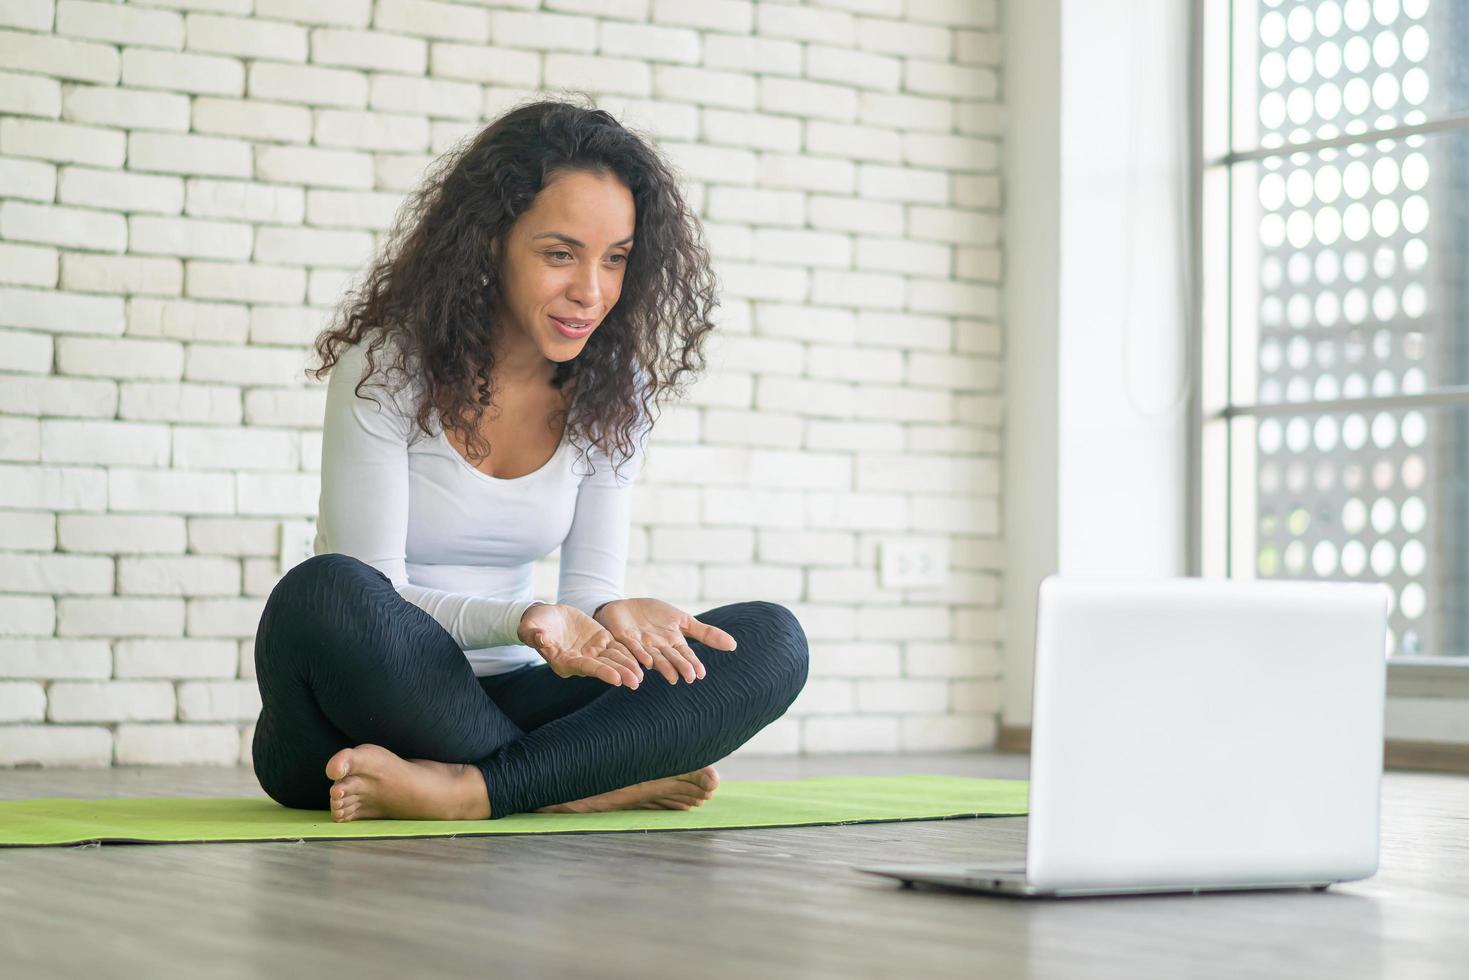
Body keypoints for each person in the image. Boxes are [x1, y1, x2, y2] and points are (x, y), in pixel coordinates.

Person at [248, 98, 810, 822]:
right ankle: (582, 782)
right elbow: (380, 594)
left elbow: (582, 609)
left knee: (771, 642)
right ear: (490, 241)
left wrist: (610, 611)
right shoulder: (385, 366)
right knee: (325, 592)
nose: (591, 291)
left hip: (511, 695)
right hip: (357, 710)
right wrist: (523, 619)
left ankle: (469, 791)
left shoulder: (614, 390)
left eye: (615, 259)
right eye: (559, 254)